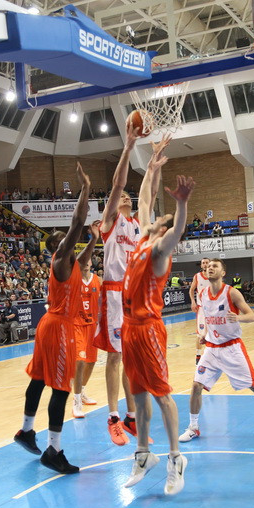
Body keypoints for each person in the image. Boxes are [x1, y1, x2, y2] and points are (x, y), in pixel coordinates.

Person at [14, 163, 91, 475]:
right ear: (59, 247)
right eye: (66, 240)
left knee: (38, 379)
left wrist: (97, 237)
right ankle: (53, 450)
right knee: (60, 388)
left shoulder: (73, 263)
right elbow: (77, 223)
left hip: (51, 325)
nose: (70, 242)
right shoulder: (60, 261)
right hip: (59, 327)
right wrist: (85, 188)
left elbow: (85, 254)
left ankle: (26, 431)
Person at [122, 172, 194, 496]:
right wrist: (150, 166)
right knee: (138, 395)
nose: (151, 221)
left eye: (158, 223)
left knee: (162, 395)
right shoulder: (141, 240)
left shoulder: (159, 252)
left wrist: (181, 204)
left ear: (162, 232)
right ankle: (143, 454)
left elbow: (177, 231)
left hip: (148, 329)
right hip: (128, 329)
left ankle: (176, 459)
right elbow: (143, 200)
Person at [179, 258, 254, 444]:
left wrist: (238, 318)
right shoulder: (202, 294)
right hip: (211, 349)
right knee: (196, 386)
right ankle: (193, 427)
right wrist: (205, 334)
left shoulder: (232, 293)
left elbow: (251, 316)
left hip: (232, 348)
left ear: (223, 273)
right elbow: (208, 318)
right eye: (208, 267)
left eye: (214, 266)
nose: (210, 268)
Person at [92, 121, 150, 446]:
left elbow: (147, 196)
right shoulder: (111, 222)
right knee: (115, 357)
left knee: (131, 358)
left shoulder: (138, 226)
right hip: (114, 294)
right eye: (121, 196)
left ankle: (131, 417)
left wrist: (153, 164)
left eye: (129, 195)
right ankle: (113, 417)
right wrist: (128, 147)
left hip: (133, 296)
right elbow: (118, 184)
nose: (125, 196)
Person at [72, 221, 102, 418]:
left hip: (93, 326)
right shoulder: (73, 277)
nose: (87, 261)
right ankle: (75, 402)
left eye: (89, 259)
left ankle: (82, 391)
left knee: (91, 361)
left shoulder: (97, 280)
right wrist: (93, 238)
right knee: (80, 361)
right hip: (76, 325)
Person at [189, 258, 211, 365]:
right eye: (203, 263)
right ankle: (198, 355)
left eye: (207, 262)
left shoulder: (214, 276)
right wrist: (193, 301)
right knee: (200, 334)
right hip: (201, 308)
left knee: (213, 333)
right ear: (201, 265)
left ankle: (211, 355)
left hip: (213, 308)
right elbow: (191, 290)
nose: (205, 264)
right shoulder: (197, 276)